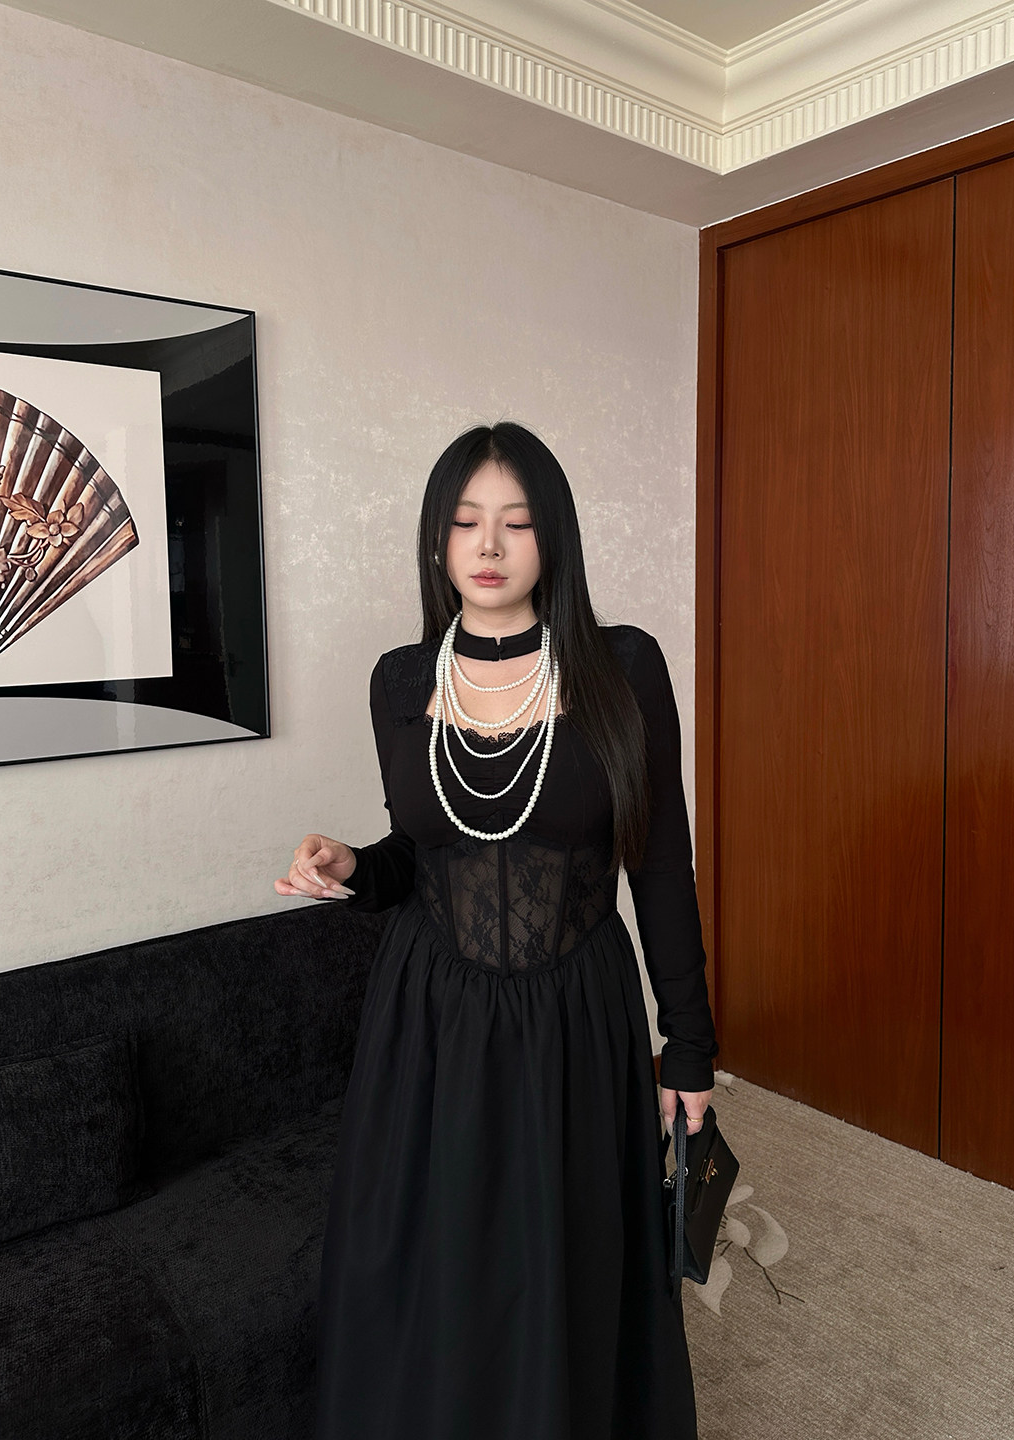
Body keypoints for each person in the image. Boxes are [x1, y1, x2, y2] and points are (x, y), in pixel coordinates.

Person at [275, 421, 719, 1440]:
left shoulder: (623, 666)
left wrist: (689, 1046)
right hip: (432, 1021)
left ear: (552, 537)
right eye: (466, 521)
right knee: (440, 1268)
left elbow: (660, 866)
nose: (488, 545)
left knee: (571, 1260)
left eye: (516, 523)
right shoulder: (400, 680)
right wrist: (354, 866)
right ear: (437, 539)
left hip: (577, 1016)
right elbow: (423, 852)